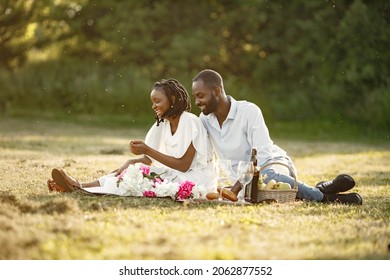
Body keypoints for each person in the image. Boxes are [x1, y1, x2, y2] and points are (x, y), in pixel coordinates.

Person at [191, 69, 362, 205]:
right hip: (241, 183)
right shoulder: (204, 120)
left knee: (267, 179)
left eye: (201, 96)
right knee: (257, 193)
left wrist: (236, 188)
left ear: (217, 91)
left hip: (272, 166)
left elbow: (263, 157)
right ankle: (323, 188)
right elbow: (204, 158)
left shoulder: (249, 111)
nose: (197, 102)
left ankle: (324, 198)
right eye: (195, 97)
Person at [48, 78, 216, 196]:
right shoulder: (162, 124)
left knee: (137, 177)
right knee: (131, 170)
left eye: (157, 101)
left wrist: (147, 149)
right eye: (152, 102)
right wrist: (131, 161)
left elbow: (184, 166)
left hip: (195, 179)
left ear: (172, 99)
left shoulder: (190, 122)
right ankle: (78, 185)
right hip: (175, 174)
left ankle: (78, 186)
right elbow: (149, 159)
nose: (154, 106)